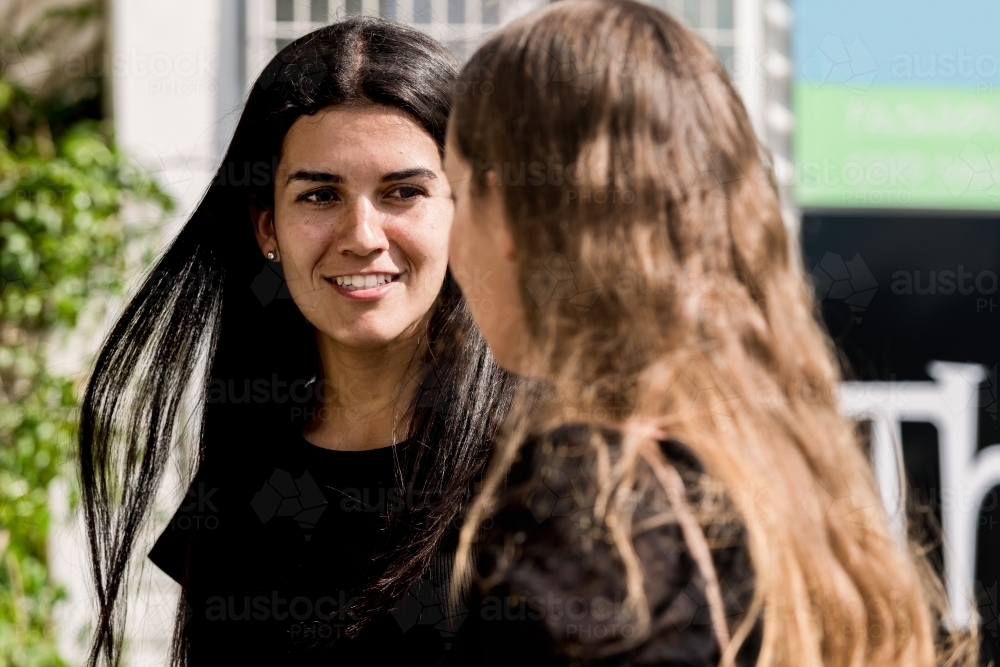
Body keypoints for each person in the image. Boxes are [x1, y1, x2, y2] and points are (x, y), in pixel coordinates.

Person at [443, 1, 979, 666]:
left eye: (455, 192)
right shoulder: (777, 466)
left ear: (507, 211)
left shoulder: (599, 509)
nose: (449, 238)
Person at [78, 17, 513, 666]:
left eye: (403, 191)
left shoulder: (548, 468)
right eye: (319, 194)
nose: (363, 233)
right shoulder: (240, 486)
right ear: (267, 227)